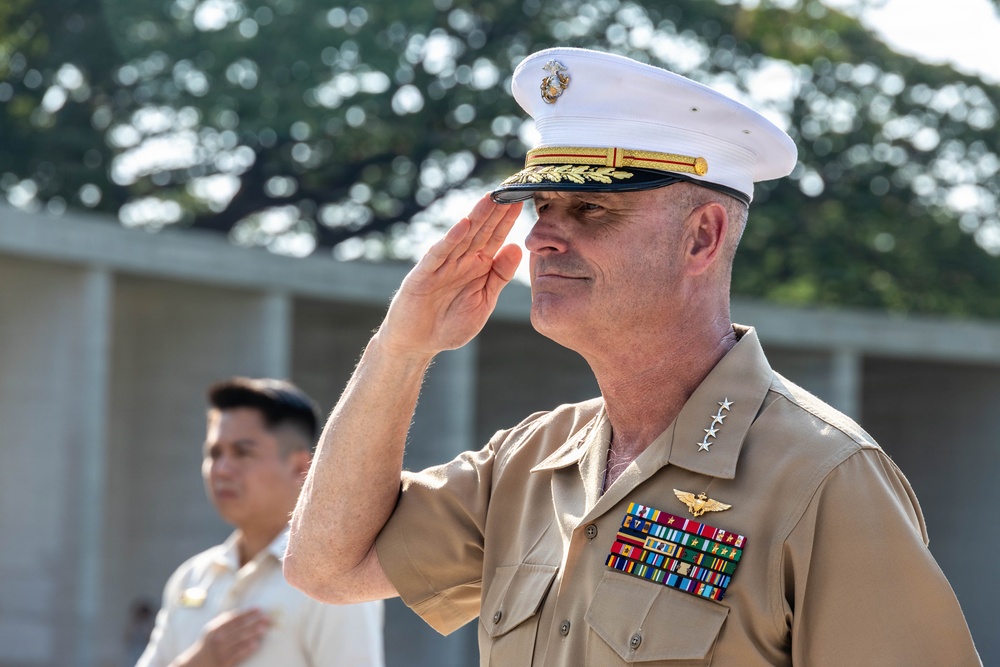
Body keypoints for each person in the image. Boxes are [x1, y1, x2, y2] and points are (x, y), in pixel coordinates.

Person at [283, 47, 981, 665]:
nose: (540, 241)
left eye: (591, 211)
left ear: (702, 239)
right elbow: (328, 568)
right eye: (542, 209)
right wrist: (402, 348)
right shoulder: (530, 461)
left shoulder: (825, 477)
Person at [137, 377, 384, 667]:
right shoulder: (191, 578)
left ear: (300, 467)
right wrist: (201, 661)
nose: (222, 470)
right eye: (214, 453)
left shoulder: (333, 581)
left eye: (242, 453)